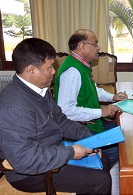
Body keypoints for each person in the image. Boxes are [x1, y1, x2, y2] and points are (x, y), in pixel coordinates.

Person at [0, 38, 112, 194]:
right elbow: (26, 160)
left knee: (103, 160)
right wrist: (71, 152)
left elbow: (61, 121)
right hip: (29, 173)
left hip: (51, 152)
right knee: (100, 180)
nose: (54, 71)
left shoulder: (40, 89)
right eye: (50, 67)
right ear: (31, 70)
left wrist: (89, 140)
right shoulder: (13, 106)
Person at [54, 29, 127, 167]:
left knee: (123, 130)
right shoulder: (73, 71)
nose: (98, 47)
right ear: (82, 46)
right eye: (95, 44)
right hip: (79, 126)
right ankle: (97, 177)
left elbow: (93, 90)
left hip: (91, 120)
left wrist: (113, 97)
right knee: (115, 149)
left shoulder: (81, 65)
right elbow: (66, 110)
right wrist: (101, 112)